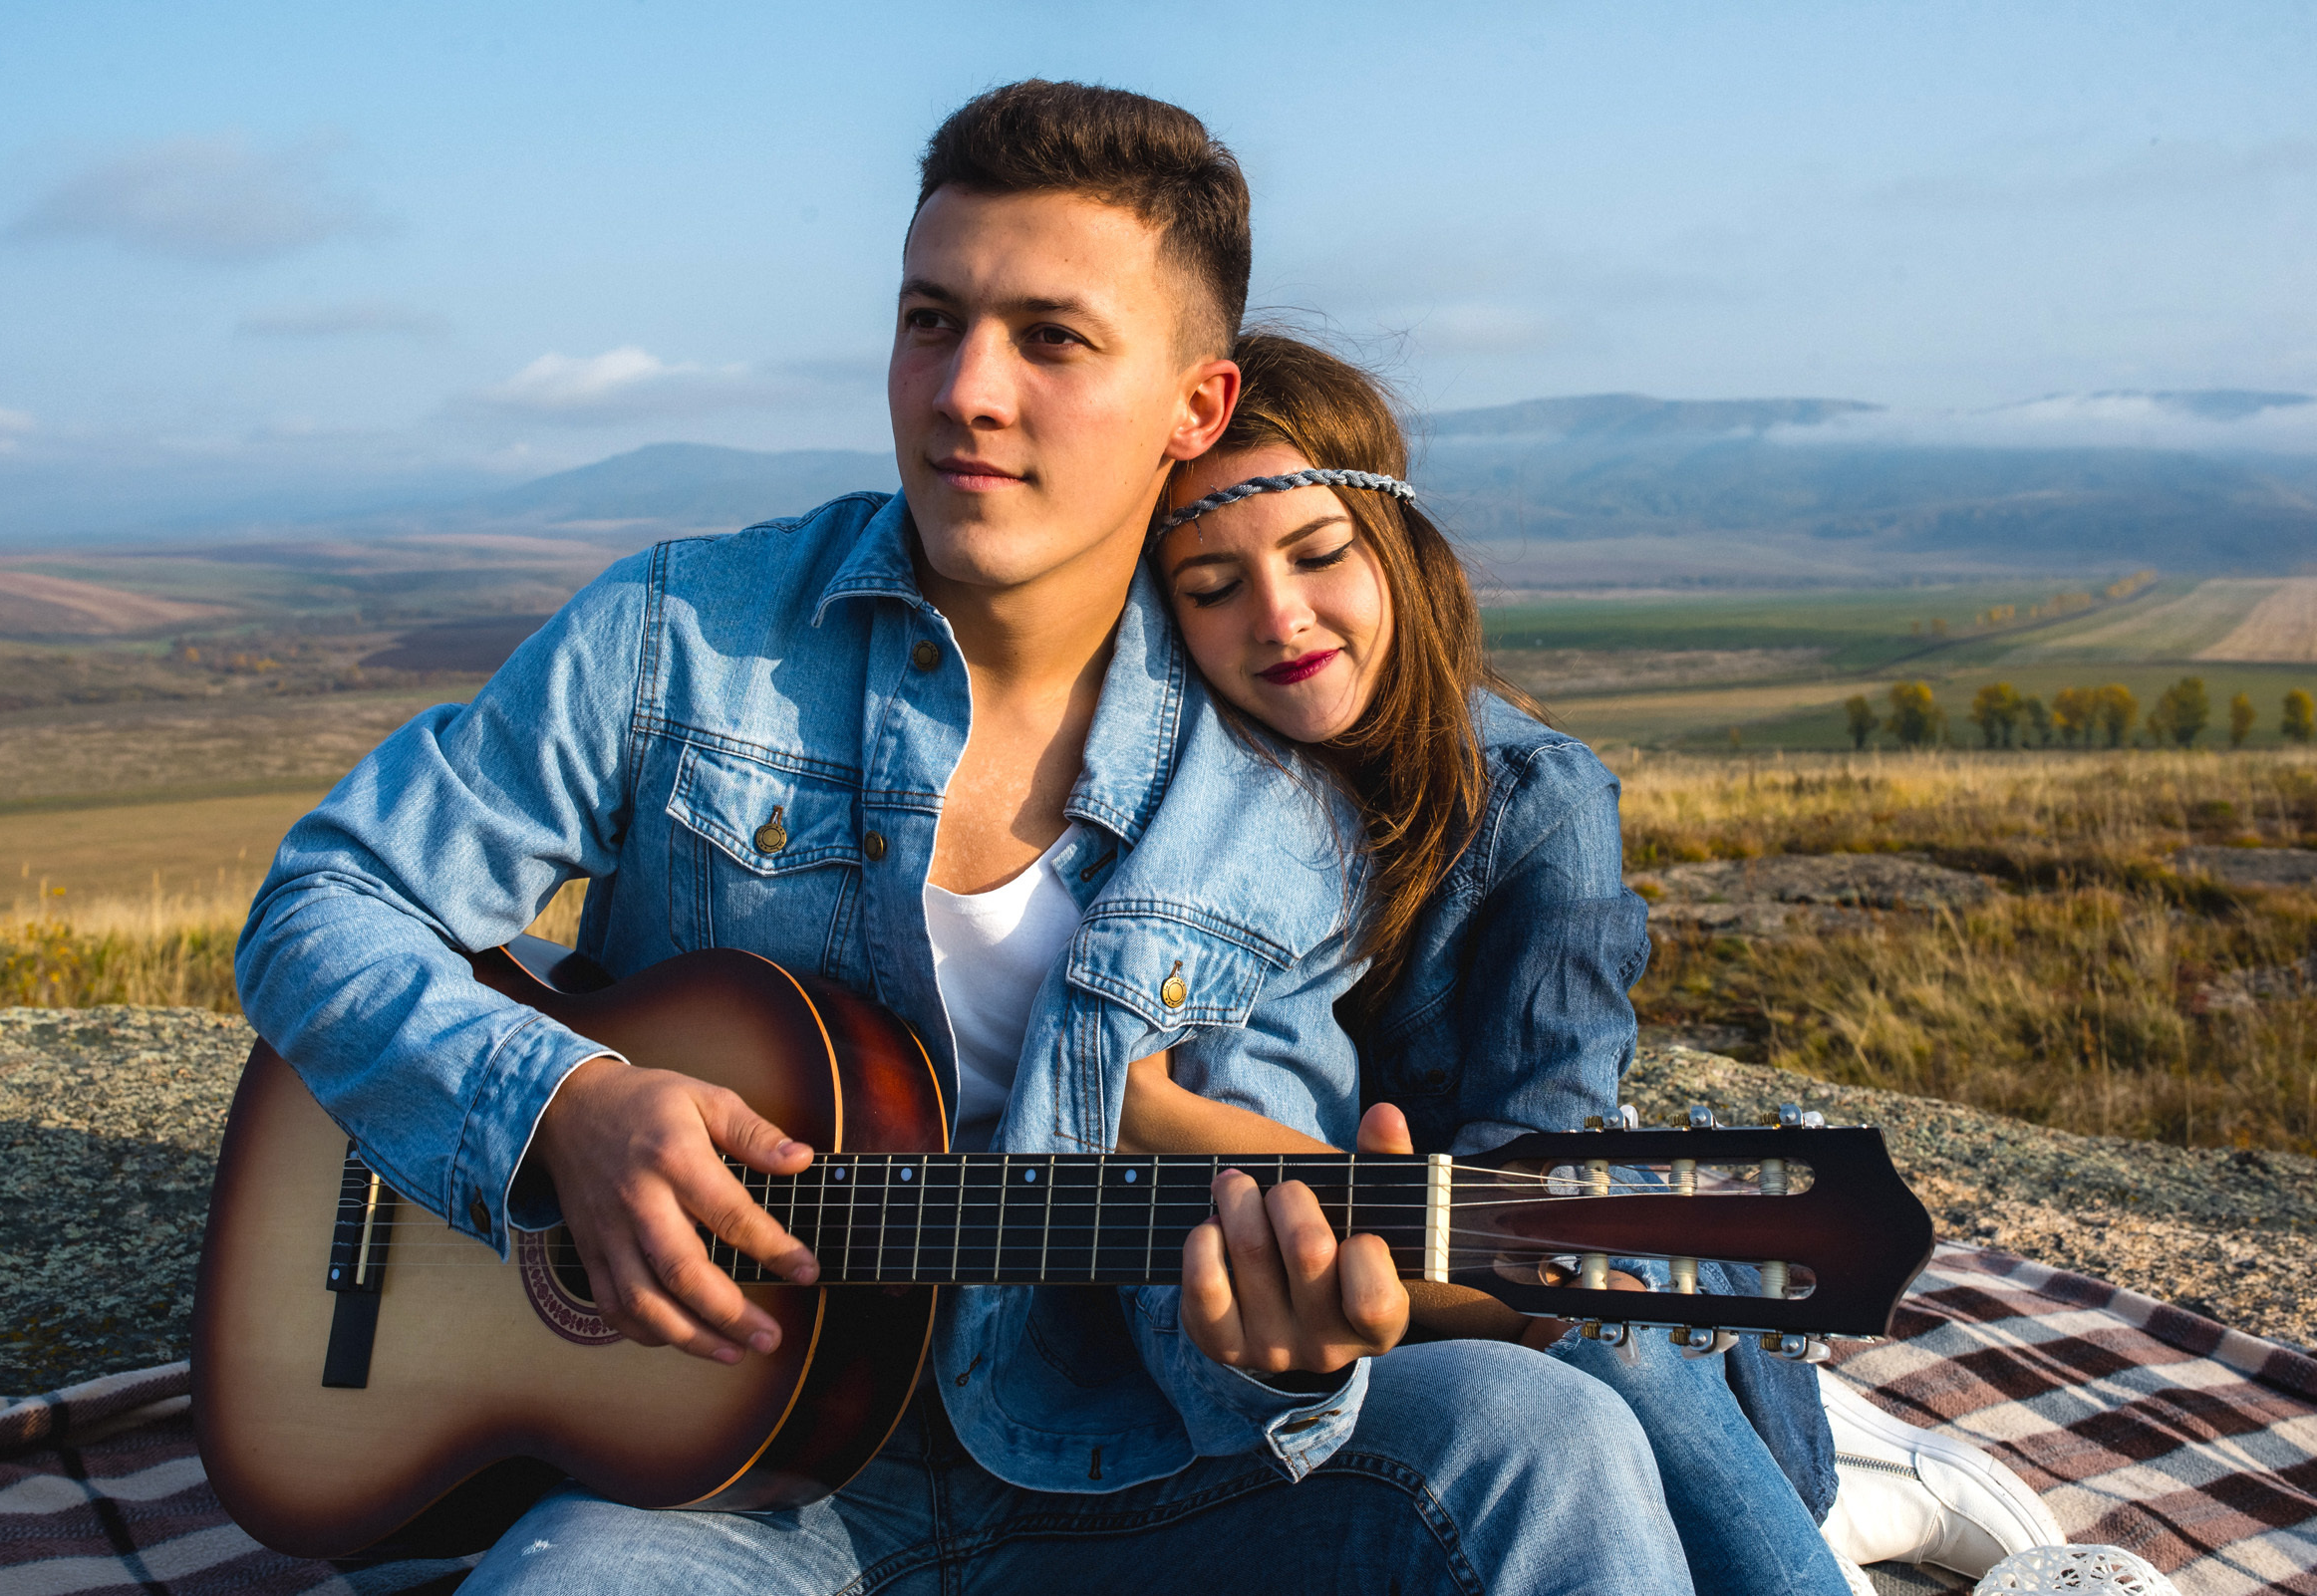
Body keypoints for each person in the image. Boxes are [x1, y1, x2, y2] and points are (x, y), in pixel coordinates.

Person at [237, 83, 1694, 1594]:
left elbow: (1212, 1324)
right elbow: (326, 901)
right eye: (932, 320)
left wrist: (1274, 1351)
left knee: (1544, 1431)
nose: (964, 391)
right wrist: (567, 1110)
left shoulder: (1279, 811)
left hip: (1111, 1475)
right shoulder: (678, 636)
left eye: (1052, 339)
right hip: (706, 1484)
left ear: (1196, 406)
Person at [1128, 331, 2067, 1592]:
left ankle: (1821, 1508)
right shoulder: (1188, 806)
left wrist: (1144, 1113)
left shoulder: (1538, 804)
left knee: (1600, 1346)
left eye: (1318, 554)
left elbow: (1548, 1220)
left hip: (1534, 1279)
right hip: (1320, 1311)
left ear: (1397, 546)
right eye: (1210, 586)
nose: (1280, 617)